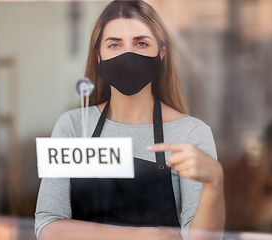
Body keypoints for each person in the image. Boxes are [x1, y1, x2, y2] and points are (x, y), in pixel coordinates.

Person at [35, 1, 225, 239]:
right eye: (114, 44)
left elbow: (200, 239)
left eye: (141, 43)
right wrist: (147, 236)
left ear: (161, 52)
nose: (128, 55)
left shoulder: (191, 134)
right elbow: (47, 227)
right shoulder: (73, 127)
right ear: (98, 55)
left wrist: (214, 183)